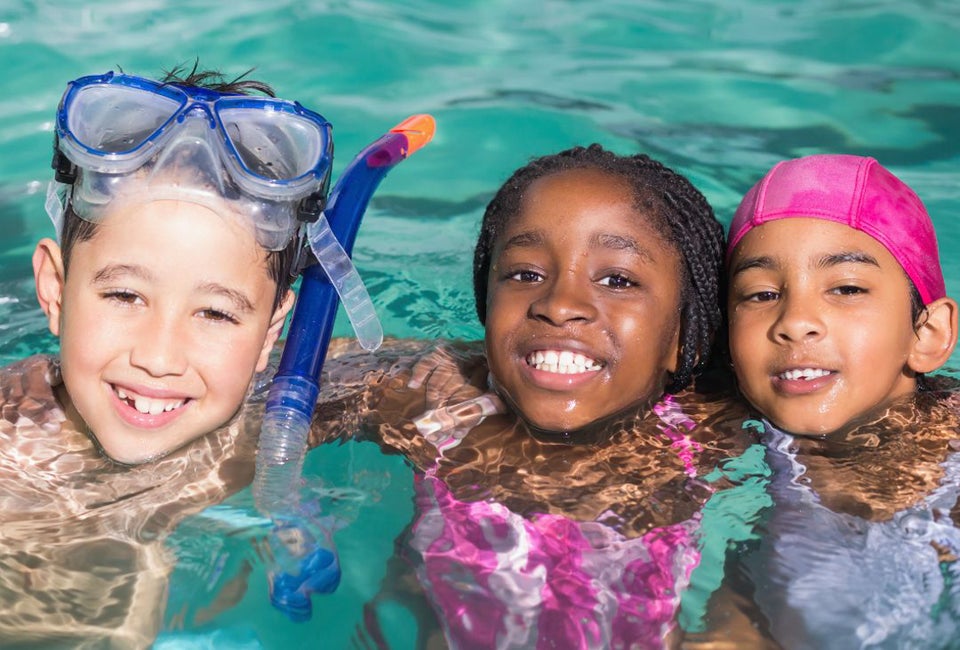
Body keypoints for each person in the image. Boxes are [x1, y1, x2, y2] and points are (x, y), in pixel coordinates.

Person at [308, 144, 768, 648]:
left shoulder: (715, 429)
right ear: (486, 303)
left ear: (684, 339)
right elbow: (284, 382)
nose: (559, 305)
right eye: (525, 275)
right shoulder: (433, 400)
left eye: (617, 280)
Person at [0, 63, 332, 645]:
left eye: (215, 313)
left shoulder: (280, 412)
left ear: (273, 331)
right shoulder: (13, 460)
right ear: (54, 289)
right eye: (125, 295)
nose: (159, 356)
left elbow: (432, 383)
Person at [715, 154, 960, 648]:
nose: (795, 320)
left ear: (927, 334)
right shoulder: (714, 429)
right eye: (760, 294)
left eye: (846, 288)